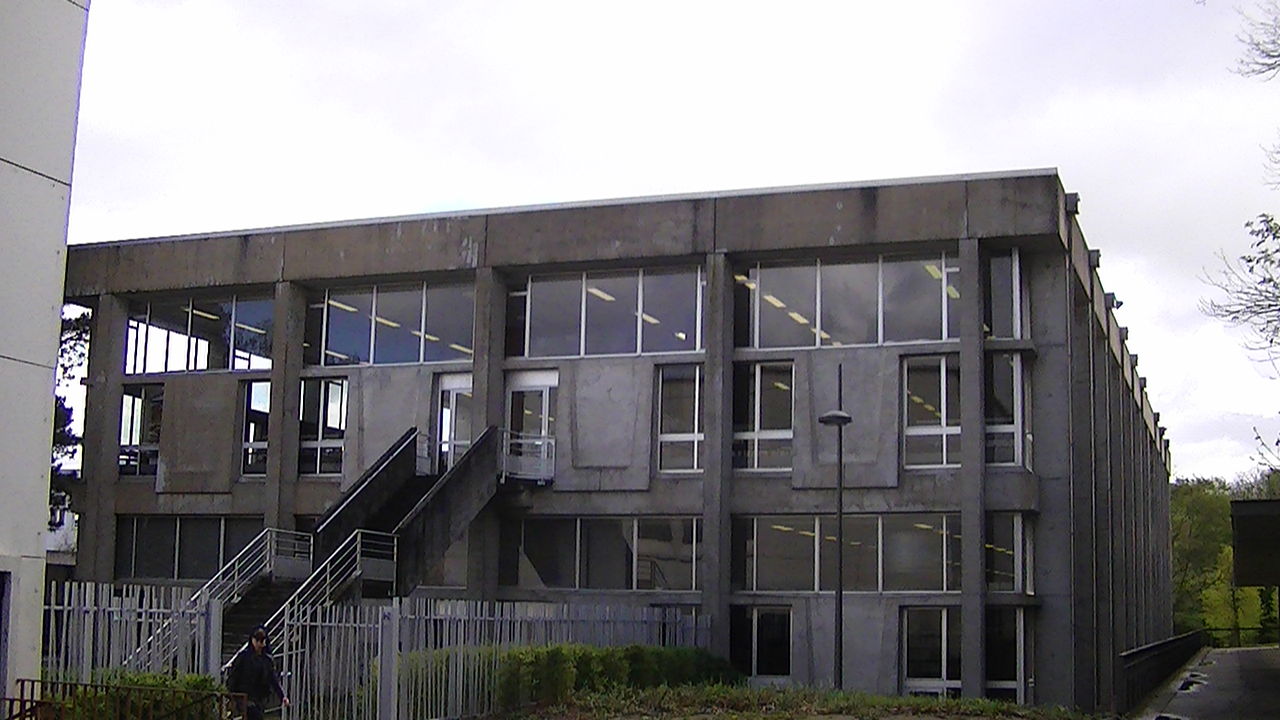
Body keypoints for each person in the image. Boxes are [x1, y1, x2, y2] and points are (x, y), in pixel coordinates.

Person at [226, 626, 290, 720]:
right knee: (255, 716)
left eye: (262, 640)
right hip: (244, 696)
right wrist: (231, 695)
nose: (259, 643)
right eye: (257, 640)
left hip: (260, 697)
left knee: (256, 714)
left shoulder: (267, 660)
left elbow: (273, 679)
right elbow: (234, 675)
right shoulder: (244, 657)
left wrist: (282, 696)